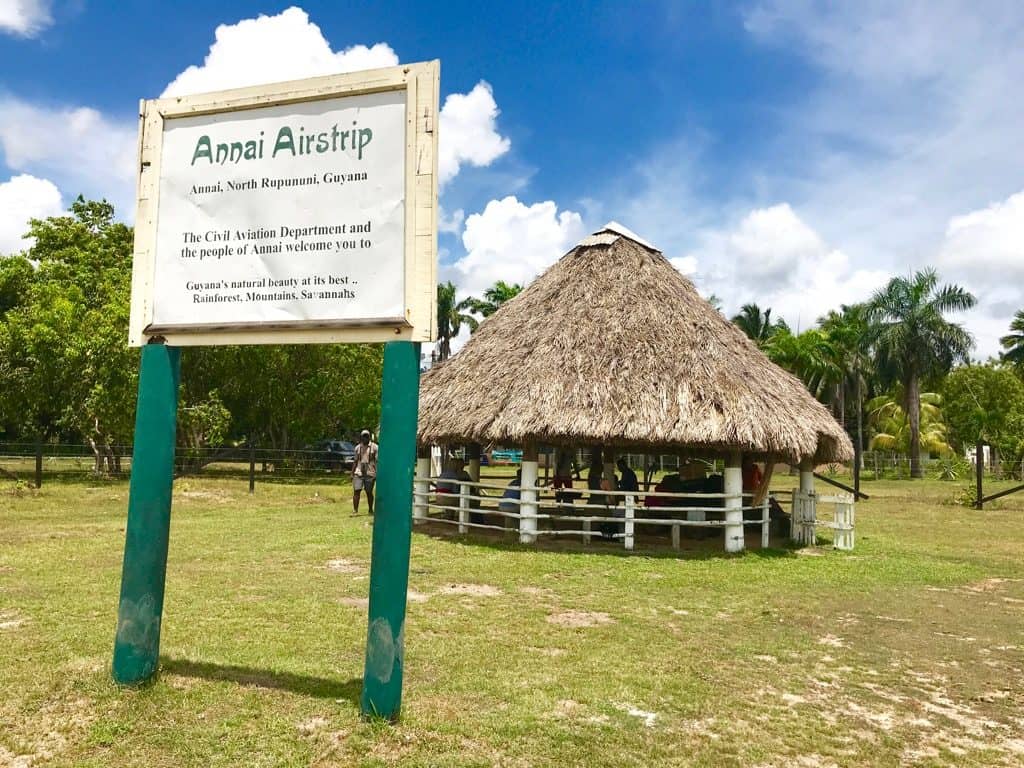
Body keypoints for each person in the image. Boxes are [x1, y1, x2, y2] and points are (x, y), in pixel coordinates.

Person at [352, 429, 378, 515]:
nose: (365, 438)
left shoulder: (375, 447)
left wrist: (377, 473)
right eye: (364, 436)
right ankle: (355, 510)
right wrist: (352, 473)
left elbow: (377, 461)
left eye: (367, 436)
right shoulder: (357, 448)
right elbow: (355, 461)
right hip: (359, 471)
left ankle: (370, 510)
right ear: (361, 437)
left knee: (369, 492)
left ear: (369, 437)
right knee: (357, 490)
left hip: (370, 472)